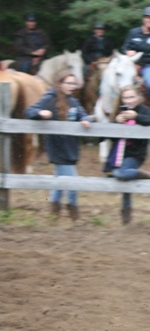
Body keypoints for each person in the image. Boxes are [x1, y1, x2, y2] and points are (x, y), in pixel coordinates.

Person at [25, 71, 92, 221]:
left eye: (74, 83)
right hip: (57, 148)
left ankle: (53, 216)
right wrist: (41, 113)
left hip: (70, 147)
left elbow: (83, 114)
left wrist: (86, 119)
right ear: (60, 84)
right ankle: (74, 216)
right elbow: (30, 111)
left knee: (59, 182)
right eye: (68, 83)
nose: (72, 86)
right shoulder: (50, 98)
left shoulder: (73, 102)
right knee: (73, 182)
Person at [104, 85, 150, 224]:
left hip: (135, 154)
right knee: (123, 179)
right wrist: (116, 123)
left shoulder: (143, 110)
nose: (128, 100)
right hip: (118, 154)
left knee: (120, 174)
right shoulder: (119, 112)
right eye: (125, 98)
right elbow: (109, 137)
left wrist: (136, 116)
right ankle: (126, 214)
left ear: (138, 97)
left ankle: (148, 175)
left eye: (131, 97)